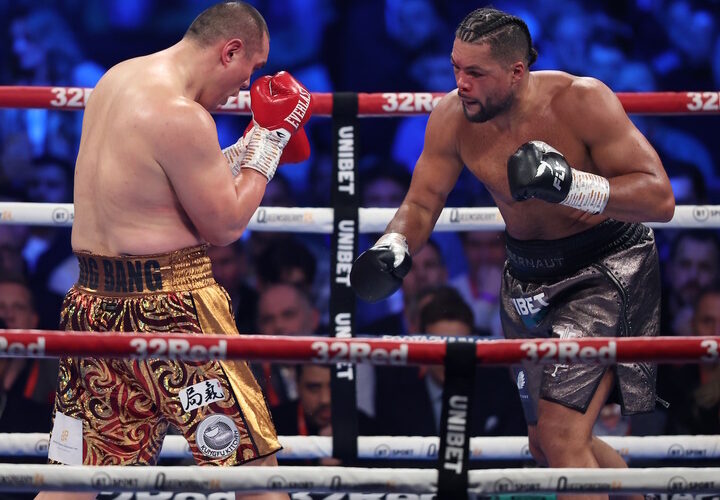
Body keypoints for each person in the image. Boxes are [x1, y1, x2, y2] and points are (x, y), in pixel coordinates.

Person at [350, 7, 674, 499]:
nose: (461, 83)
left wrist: (571, 185)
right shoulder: (452, 118)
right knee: (545, 442)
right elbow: (421, 201)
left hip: (603, 269)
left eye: (476, 73)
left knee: (563, 437)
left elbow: (659, 198)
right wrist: (394, 244)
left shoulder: (581, 100)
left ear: (517, 71)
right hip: (526, 277)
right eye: (456, 67)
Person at [37, 2, 312, 500]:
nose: (244, 87)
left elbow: (159, 182)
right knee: (254, 476)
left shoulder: (117, 79)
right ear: (230, 51)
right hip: (172, 309)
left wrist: (246, 148)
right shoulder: (184, 116)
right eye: (249, 70)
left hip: (92, 306)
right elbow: (226, 225)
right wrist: (270, 140)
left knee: (72, 484)